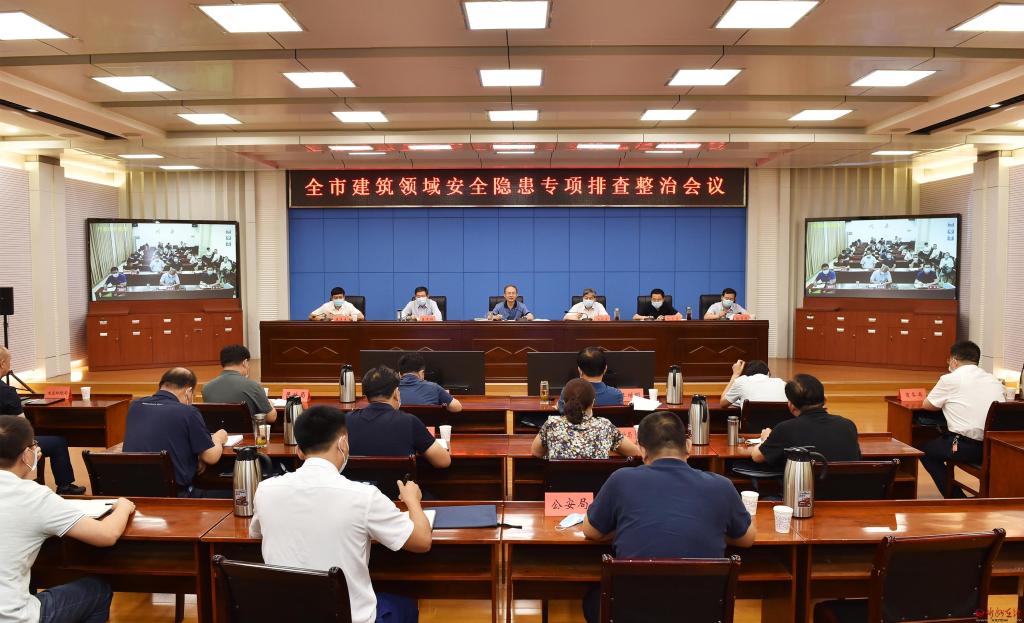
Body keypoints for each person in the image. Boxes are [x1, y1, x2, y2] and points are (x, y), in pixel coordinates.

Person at [249, 405, 427, 623]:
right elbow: (421, 541)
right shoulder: (364, 496)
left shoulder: (265, 490)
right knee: (406, 606)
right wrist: (412, 500)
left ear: (299, 451)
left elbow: (256, 533)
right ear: (343, 443)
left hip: (286, 615)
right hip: (349, 617)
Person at [580, 411, 755, 623]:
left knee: (593, 600)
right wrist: (711, 528)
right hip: (700, 613)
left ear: (642, 450)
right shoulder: (721, 486)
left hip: (632, 613)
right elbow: (747, 539)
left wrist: (625, 527)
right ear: (688, 446)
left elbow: (591, 531)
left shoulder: (621, 480)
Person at [0, 415, 136, 623]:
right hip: (12, 617)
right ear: (27, 454)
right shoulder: (32, 496)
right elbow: (106, 535)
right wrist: (124, 506)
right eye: (34, 445)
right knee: (97, 591)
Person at [123, 367, 231, 498]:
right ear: (188, 391)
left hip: (134, 492)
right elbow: (211, 457)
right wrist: (219, 438)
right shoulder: (188, 412)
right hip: (175, 495)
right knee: (235, 494)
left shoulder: (134, 406)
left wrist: (195, 459)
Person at [919, 341, 1006, 498]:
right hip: (995, 449)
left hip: (966, 448)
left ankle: (956, 498)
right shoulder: (994, 380)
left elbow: (927, 405)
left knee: (924, 451)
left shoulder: (950, 379)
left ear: (954, 361)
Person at [0, 347, 87, 495]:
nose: (10, 365)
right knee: (58, 443)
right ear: (2, 363)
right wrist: (32, 444)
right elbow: (23, 428)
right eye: (9, 361)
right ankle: (64, 487)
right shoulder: (7, 392)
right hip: (8, 445)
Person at [346, 366, 451, 469]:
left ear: (366, 396)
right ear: (396, 393)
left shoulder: (346, 420)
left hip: (353, 481)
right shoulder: (409, 422)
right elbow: (443, 461)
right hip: (397, 481)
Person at [749, 374, 861, 467]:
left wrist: (765, 439)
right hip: (848, 487)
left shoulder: (785, 429)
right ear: (825, 400)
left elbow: (757, 457)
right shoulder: (848, 425)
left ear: (791, 406)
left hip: (806, 487)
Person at [532, 378, 639, 459]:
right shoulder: (604, 425)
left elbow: (536, 452)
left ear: (564, 402)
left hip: (559, 483)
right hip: (598, 483)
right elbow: (635, 452)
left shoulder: (551, 424)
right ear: (593, 403)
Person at [201, 344, 277, 424]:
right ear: (244, 362)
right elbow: (271, 417)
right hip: (246, 432)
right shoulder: (252, 386)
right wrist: (270, 404)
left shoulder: (206, 388)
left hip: (217, 431)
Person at [557, 347, 624, 412]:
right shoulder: (616, 395)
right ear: (605, 369)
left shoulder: (567, 392)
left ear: (579, 370)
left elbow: (562, 411)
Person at [397, 353, 462, 413]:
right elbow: (457, 408)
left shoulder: (393, 389)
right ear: (421, 373)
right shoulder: (434, 387)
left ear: (399, 374)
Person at [720, 360, 787, 409]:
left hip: (751, 425)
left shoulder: (742, 381)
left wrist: (735, 374)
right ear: (768, 373)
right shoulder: (782, 383)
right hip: (781, 424)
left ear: (747, 375)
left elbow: (723, 403)